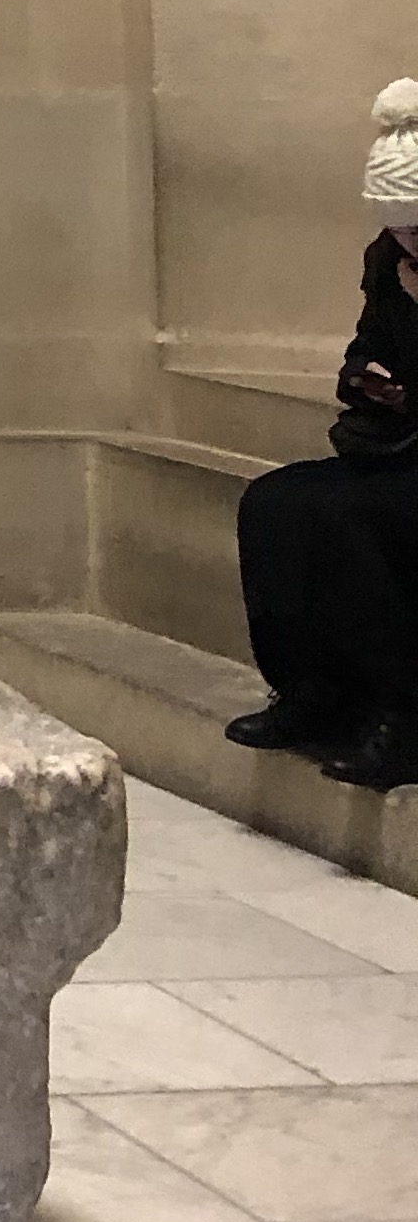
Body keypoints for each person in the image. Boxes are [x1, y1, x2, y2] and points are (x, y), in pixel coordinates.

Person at [227, 78, 418, 787]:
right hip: (399, 441)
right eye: (399, 228)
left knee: (350, 519)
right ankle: (313, 690)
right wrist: (365, 377)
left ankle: (402, 712)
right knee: (274, 503)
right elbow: (366, 346)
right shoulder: (386, 261)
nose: (408, 241)